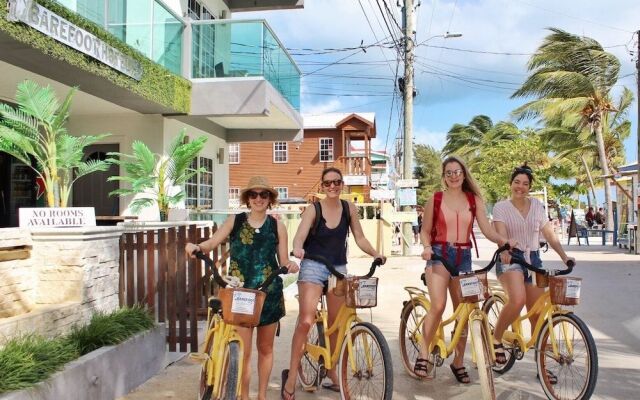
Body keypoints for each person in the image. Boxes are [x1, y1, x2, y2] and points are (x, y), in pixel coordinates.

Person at [185, 176, 299, 400]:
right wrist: (197, 246)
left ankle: (262, 396)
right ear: (248, 199)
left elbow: (283, 259)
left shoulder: (278, 226)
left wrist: (291, 265)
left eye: (263, 195)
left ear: (270, 199)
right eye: (254, 195)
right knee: (243, 352)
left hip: (269, 294)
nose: (258, 199)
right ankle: (244, 396)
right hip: (241, 295)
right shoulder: (234, 221)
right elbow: (212, 242)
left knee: (266, 349)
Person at [281, 167, 386, 400]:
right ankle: (290, 377)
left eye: (336, 182)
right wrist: (297, 248)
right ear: (322, 186)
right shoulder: (313, 209)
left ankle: (330, 371)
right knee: (306, 320)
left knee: (338, 324)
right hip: (313, 266)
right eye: (328, 183)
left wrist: (375, 253)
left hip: (338, 269)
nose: (332, 186)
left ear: (342, 184)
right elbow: (300, 234)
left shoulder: (349, 208)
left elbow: (359, 237)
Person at [416, 156, 513, 384]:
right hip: (439, 254)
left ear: (463, 173)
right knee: (438, 306)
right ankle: (423, 352)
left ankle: (458, 362)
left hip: (464, 257)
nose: (454, 176)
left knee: (466, 311)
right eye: (449, 172)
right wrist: (427, 247)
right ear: (444, 176)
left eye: (457, 171)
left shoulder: (474, 199)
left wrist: (504, 242)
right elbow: (425, 230)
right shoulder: (436, 198)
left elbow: (488, 230)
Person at [491, 165, 574, 383]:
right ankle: (496, 338)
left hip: (534, 261)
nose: (521, 187)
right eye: (517, 182)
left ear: (530, 187)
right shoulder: (501, 207)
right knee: (517, 300)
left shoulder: (537, 205)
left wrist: (565, 257)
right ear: (511, 183)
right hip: (511, 260)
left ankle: (542, 367)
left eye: (525, 184)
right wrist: (506, 249)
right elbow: (501, 234)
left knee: (538, 316)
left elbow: (549, 233)